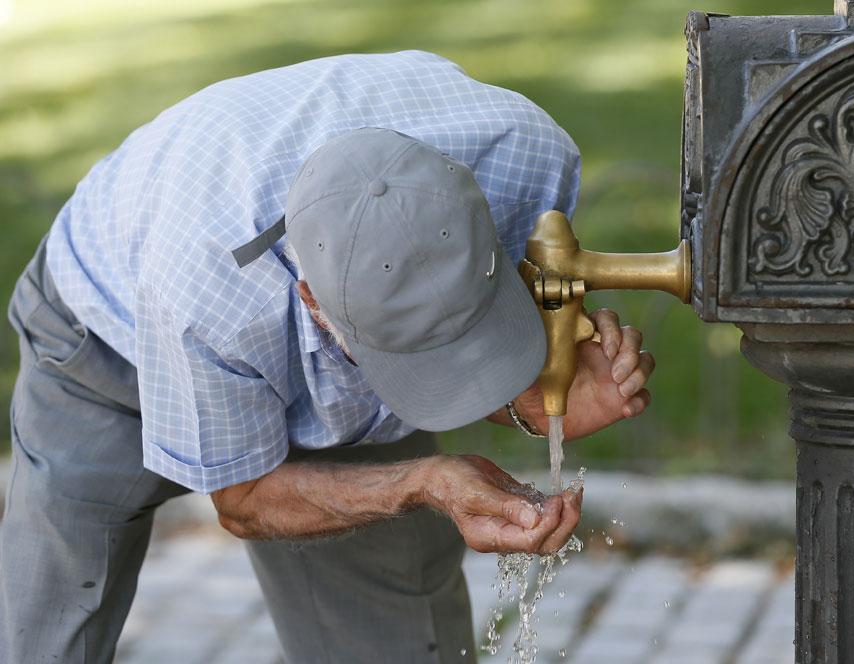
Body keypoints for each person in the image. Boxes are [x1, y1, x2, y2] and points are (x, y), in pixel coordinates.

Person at [0, 51, 655, 663]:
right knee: (54, 626)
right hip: (103, 346)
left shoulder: (523, 161)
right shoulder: (211, 299)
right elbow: (245, 498)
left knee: (397, 636)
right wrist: (420, 482)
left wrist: (535, 393)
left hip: (251, 294)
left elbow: (467, 323)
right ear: (312, 300)